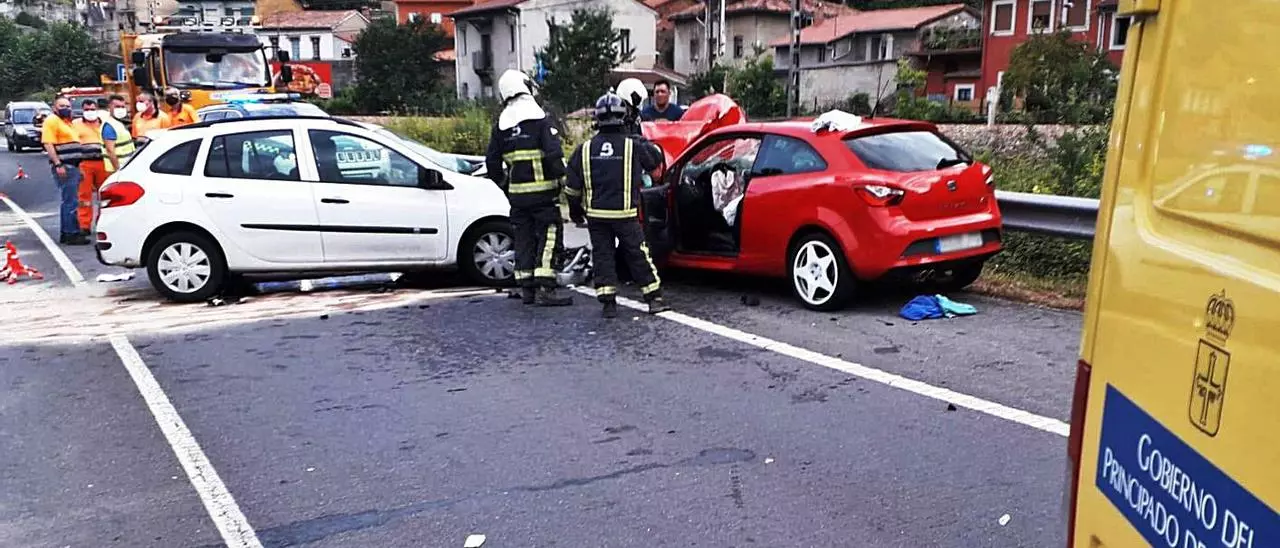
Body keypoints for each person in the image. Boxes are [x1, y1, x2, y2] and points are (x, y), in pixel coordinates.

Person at [564, 92, 670, 318]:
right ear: (623, 117)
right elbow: (656, 161)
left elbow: (572, 188)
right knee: (638, 255)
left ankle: (608, 304)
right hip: (625, 214)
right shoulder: (634, 145)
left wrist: (575, 212)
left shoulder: (584, 149)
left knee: (603, 257)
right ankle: (654, 299)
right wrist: (638, 136)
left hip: (596, 215)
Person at [484, 69, 574, 306]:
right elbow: (554, 156)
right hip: (544, 196)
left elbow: (492, 164)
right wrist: (565, 183)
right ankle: (545, 287)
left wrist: (507, 185)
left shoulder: (502, 125)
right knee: (549, 236)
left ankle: (527, 290)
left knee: (523, 239)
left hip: (517, 198)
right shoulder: (539, 120)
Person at [41, 95, 89, 245]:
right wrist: (58, 164)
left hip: (73, 166)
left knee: (71, 200)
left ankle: (68, 231)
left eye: (68, 106)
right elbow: (48, 144)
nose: (66, 109)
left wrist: (79, 167)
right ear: (54, 108)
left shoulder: (68, 123)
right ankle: (71, 233)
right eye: (62, 106)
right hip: (65, 165)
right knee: (70, 201)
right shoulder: (52, 121)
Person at [72, 100, 109, 235]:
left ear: (97, 109)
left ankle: (103, 223)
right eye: (87, 109)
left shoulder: (105, 123)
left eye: (92, 109)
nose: (90, 112)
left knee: (105, 194)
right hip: (84, 163)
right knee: (84, 196)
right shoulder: (76, 125)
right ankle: (84, 225)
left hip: (104, 162)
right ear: (82, 110)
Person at [101, 94, 136, 175]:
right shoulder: (109, 126)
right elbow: (110, 150)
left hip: (125, 166)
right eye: (117, 107)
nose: (120, 109)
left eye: (122, 107)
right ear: (109, 107)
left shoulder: (118, 122)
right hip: (117, 169)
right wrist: (118, 170)